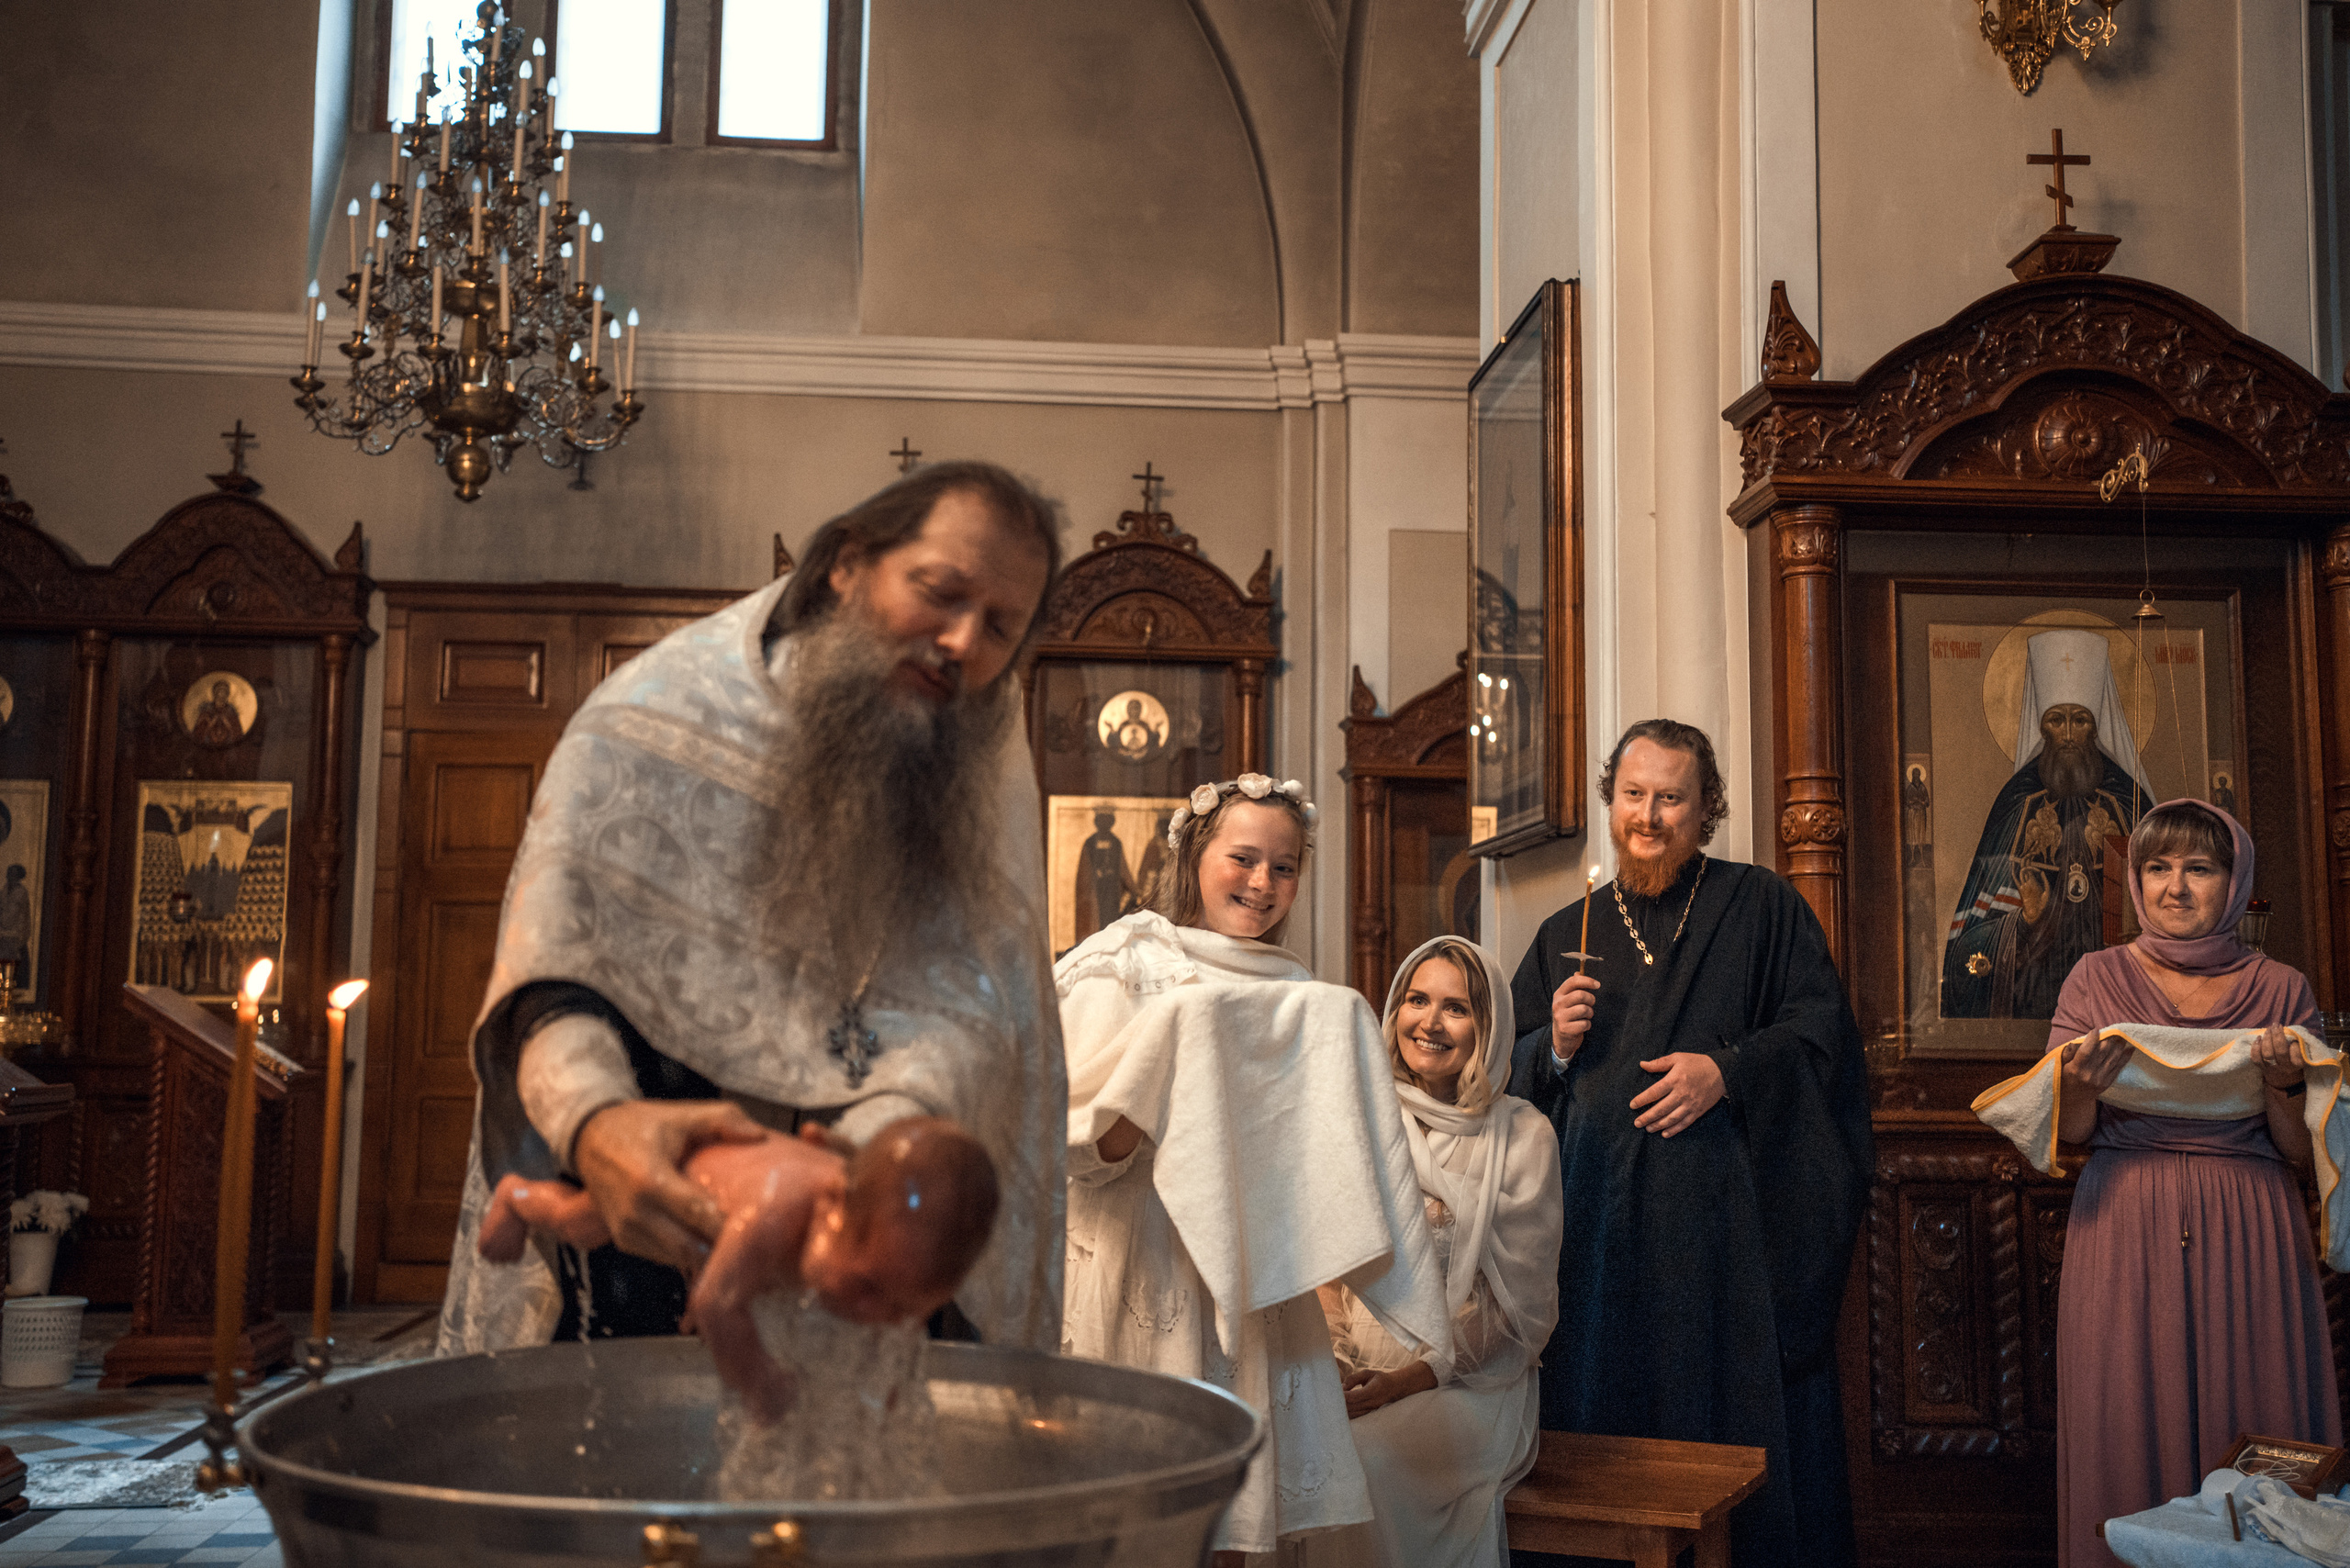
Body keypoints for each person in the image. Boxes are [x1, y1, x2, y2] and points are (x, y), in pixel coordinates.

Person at [436, 460, 1069, 1359]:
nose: (963, 641)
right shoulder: (648, 714)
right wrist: (596, 1122)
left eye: (1001, 626)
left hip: (861, 1224)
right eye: (941, 592)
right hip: (632, 1232)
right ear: (848, 565)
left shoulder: (981, 772)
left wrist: (847, 1173)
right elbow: (553, 974)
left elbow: (978, 1021)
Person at [1507, 719, 1872, 1568]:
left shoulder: (1763, 905)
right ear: (1610, 800)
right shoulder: (1571, 924)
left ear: (1705, 808)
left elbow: (1823, 1041)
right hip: (1595, 1248)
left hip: (1728, 1252)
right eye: (1633, 795)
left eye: (1671, 798)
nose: (1649, 815)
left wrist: (1729, 1072)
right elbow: (1502, 1075)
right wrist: (1550, 1047)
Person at [1059, 774, 1449, 1565]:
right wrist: (1156, 1083)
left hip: (1255, 1287)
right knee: (1135, 1520)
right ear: (1196, 854)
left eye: (1284, 867)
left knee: (1240, 1521)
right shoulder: (1129, 959)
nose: (1262, 884)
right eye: (1243, 859)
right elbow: (1068, 1142)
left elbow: (1315, 1163)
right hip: (1147, 1261)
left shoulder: (1297, 992)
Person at [2040, 800, 2337, 1568]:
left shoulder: (2281, 989)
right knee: (2123, 1419)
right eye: (2157, 868)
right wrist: (2080, 1086)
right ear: (2136, 883)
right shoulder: (2095, 978)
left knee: (2257, 1419)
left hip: (2254, 1224)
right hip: (2124, 1218)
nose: (2175, 887)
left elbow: (2303, 1156)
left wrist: (2280, 1086)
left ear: (2234, 883)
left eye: (2198, 868)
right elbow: (2068, 1131)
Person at [1308, 936, 1561, 1568]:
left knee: (1360, 1462)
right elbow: (1325, 1271)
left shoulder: (1524, 1134)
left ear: (1489, 1026)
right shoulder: (1364, 1119)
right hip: (1356, 1377)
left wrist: (1403, 1383)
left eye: (1456, 1008)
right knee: (1290, 1454)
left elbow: (1519, 1319)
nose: (1430, 1021)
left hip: (1473, 1387)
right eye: (1417, 1000)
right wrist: (1334, 1367)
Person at [478, 1116, 1000, 1422]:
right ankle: (518, 1198)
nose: (879, 1316)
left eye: (908, 1308)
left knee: (721, 1273)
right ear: (833, 1206)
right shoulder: (777, 1211)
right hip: (679, 1178)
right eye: (866, 1287)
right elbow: (716, 1304)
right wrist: (759, 1383)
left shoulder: (885, 1256)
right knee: (581, 1220)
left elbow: (894, 1332)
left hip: (728, 1228)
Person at [1943, 629, 2152, 1018]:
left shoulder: (2129, 802)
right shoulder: (2016, 804)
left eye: (2081, 720)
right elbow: (1965, 949)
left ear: (2097, 726)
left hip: (2118, 1001)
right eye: (2057, 720)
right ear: (2041, 727)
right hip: (2032, 998)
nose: (2069, 735)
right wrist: (2025, 920)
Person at [1074, 810, 1134, 943]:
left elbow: (1123, 870)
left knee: (1110, 922)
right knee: (1095, 924)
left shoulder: (1116, 843)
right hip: (1094, 892)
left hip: (1112, 893)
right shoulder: (1089, 843)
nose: (1104, 824)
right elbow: (1084, 873)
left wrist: (1133, 890)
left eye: (1108, 821)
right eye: (1102, 820)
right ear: (1096, 822)